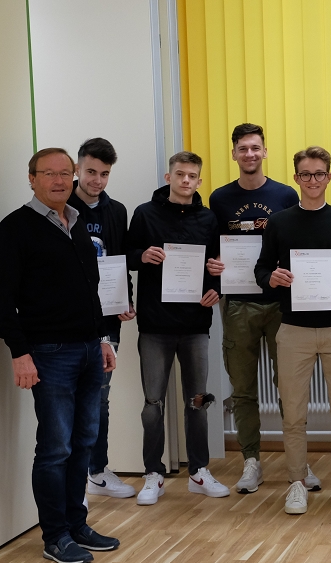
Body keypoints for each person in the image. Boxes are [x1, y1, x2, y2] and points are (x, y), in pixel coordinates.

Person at [0, 148, 120, 563]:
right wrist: (20, 353)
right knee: (55, 448)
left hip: (88, 350)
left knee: (83, 443)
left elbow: (91, 290)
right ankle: (55, 536)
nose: (59, 180)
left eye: (65, 173)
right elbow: (0, 300)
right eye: (49, 173)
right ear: (32, 178)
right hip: (49, 354)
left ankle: (77, 524)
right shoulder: (14, 229)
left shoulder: (76, 223)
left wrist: (102, 339)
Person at [204, 124, 322, 493]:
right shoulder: (219, 199)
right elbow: (212, 247)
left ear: (265, 152)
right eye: (243, 148)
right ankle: (251, 462)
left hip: (280, 304)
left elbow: (298, 241)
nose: (250, 154)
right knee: (242, 389)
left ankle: (298, 462)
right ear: (234, 154)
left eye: (255, 147)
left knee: (289, 387)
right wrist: (213, 266)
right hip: (238, 304)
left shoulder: (285, 194)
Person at [254, 146, 331, 515]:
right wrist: (272, 277)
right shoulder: (279, 222)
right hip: (294, 330)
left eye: (319, 173)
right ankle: (296, 484)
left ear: (329, 177)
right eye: (306, 174)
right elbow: (261, 270)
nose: (313, 180)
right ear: (296, 178)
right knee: (293, 415)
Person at [127, 151, 229, 505]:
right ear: (168, 177)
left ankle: (198, 472)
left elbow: (217, 265)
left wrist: (217, 286)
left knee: (197, 400)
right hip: (155, 324)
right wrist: (142, 256)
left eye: (192, 176)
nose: (186, 180)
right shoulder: (145, 213)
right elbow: (127, 255)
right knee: (152, 402)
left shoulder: (208, 218)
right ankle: (153, 473)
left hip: (195, 323)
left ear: (199, 181)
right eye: (180, 174)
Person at [66, 138, 137, 500]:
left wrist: (126, 300)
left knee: (100, 396)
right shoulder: (61, 206)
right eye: (91, 171)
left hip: (107, 320)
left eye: (104, 174)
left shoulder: (117, 211)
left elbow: (119, 261)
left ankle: (96, 471)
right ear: (77, 168)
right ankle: (72, 476)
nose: (97, 180)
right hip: (68, 320)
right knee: (69, 397)